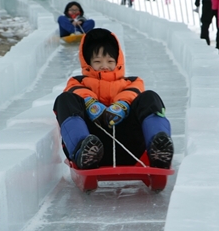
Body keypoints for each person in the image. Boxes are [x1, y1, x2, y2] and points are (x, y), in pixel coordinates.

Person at [53, 28, 174, 169]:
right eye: (98, 61)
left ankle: (158, 149)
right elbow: (76, 90)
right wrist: (89, 102)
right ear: (87, 63)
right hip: (92, 147)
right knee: (65, 99)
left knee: (150, 97)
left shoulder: (133, 82)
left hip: (129, 146)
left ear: (118, 62)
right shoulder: (77, 82)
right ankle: (81, 149)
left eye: (110, 61)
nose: (105, 66)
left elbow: (133, 92)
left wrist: (123, 105)